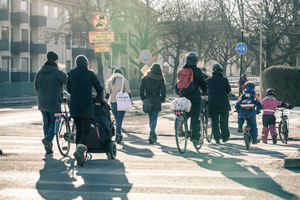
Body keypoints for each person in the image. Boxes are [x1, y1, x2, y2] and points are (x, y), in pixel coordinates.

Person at [67, 55, 103, 167]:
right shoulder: (90, 74)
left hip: (74, 104)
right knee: (86, 130)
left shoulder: (71, 74)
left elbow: (68, 89)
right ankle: (79, 151)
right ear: (86, 64)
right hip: (86, 105)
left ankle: (80, 154)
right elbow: (99, 88)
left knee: (79, 129)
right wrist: (98, 99)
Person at [34, 51, 67, 154]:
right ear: (56, 61)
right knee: (55, 122)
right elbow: (68, 82)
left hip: (42, 103)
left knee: (46, 123)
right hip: (54, 102)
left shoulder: (39, 72)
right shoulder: (58, 72)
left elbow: (36, 87)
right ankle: (48, 139)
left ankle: (48, 146)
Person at [175, 52, 207, 146]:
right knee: (195, 117)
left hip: (183, 97)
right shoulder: (197, 71)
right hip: (194, 97)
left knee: (185, 113)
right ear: (196, 61)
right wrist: (204, 90)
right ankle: (195, 138)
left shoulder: (182, 70)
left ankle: (180, 125)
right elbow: (203, 83)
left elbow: (177, 82)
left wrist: (179, 92)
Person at [140, 63, 166, 144]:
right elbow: (163, 91)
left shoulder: (145, 78)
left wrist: (143, 98)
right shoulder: (160, 79)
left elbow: (141, 90)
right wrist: (162, 99)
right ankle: (152, 133)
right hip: (157, 99)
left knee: (150, 118)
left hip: (148, 98)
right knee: (154, 118)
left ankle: (152, 133)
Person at [105, 68, 132, 143]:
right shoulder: (124, 80)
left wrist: (106, 103)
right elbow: (129, 92)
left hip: (113, 102)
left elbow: (107, 94)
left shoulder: (110, 81)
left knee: (117, 119)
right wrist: (130, 101)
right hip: (122, 102)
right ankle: (118, 135)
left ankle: (119, 134)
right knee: (119, 119)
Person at [206, 64, 231, 144]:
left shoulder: (208, 80)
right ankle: (225, 137)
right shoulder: (224, 80)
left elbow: (205, 90)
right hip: (223, 103)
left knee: (214, 122)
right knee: (224, 121)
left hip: (213, 104)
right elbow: (228, 90)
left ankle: (217, 138)